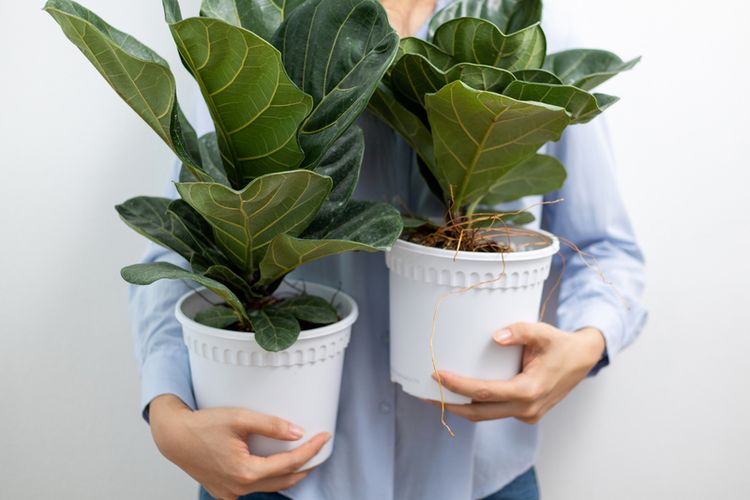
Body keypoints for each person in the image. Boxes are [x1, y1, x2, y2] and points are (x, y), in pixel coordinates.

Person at [130, 1, 647, 499]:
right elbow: (188, 243)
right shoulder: (269, 19)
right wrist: (169, 414)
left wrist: (584, 347)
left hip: (480, 478)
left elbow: (606, 250)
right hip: (274, 473)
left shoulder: (531, 24)